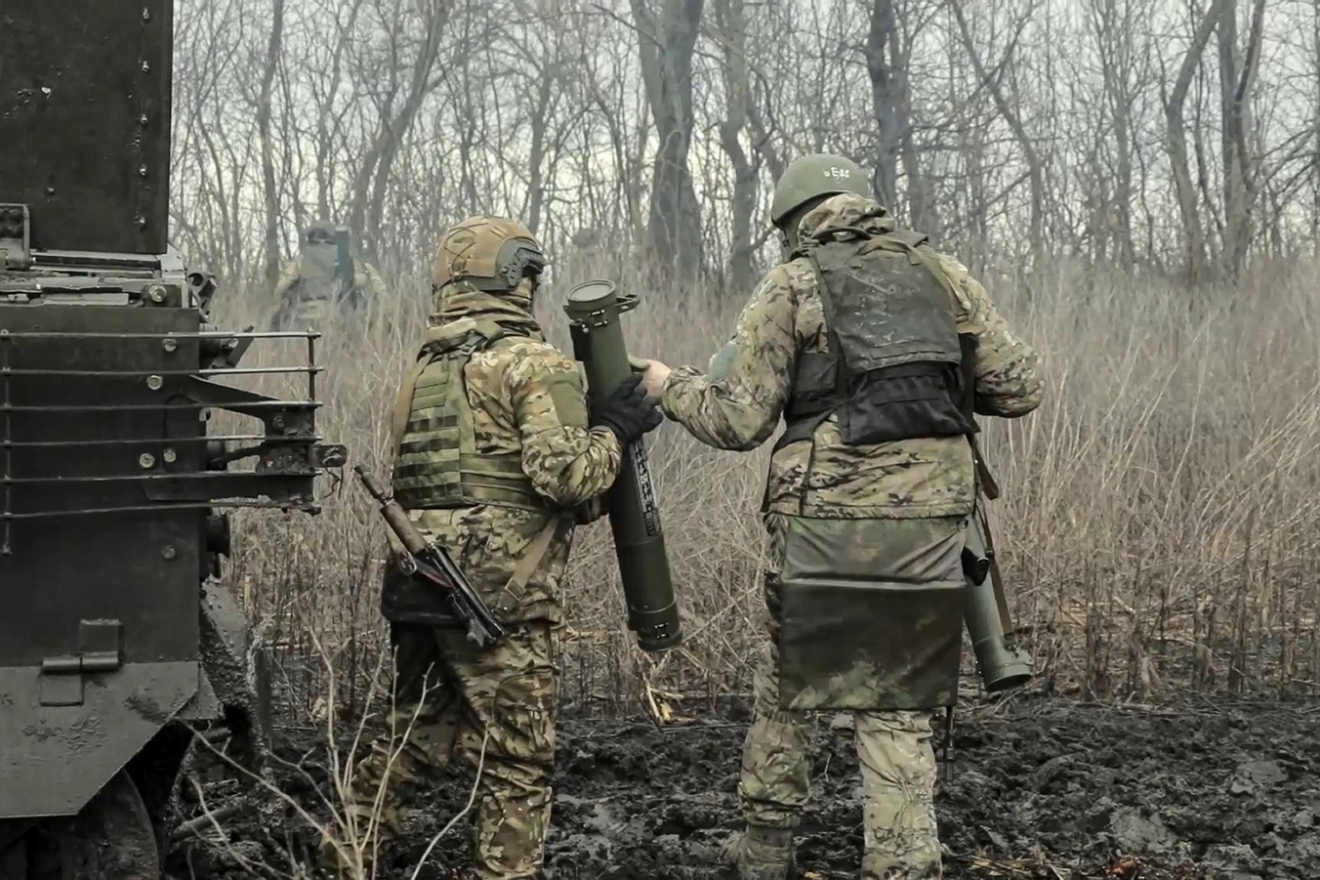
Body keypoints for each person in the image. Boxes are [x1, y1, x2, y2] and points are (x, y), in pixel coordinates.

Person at [636, 154, 1043, 879]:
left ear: (794, 226)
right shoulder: (941, 276)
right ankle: (904, 863)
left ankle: (763, 855)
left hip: (820, 517)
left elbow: (737, 422)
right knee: (895, 700)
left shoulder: (792, 284)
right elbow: (1019, 389)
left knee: (788, 678)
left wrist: (669, 385)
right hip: (929, 519)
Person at [328, 215, 663, 878]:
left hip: (419, 580)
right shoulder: (532, 364)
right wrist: (616, 430)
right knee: (517, 760)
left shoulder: (420, 371)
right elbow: (567, 480)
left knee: (416, 734)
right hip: (499, 595)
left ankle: (341, 856)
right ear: (517, 278)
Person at [269, 220, 389, 331]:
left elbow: (281, 288)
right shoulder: (351, 260)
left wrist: (278, 309)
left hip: (305, 318)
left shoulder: (300, 260)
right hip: (343, 319)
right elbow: (381, 292)